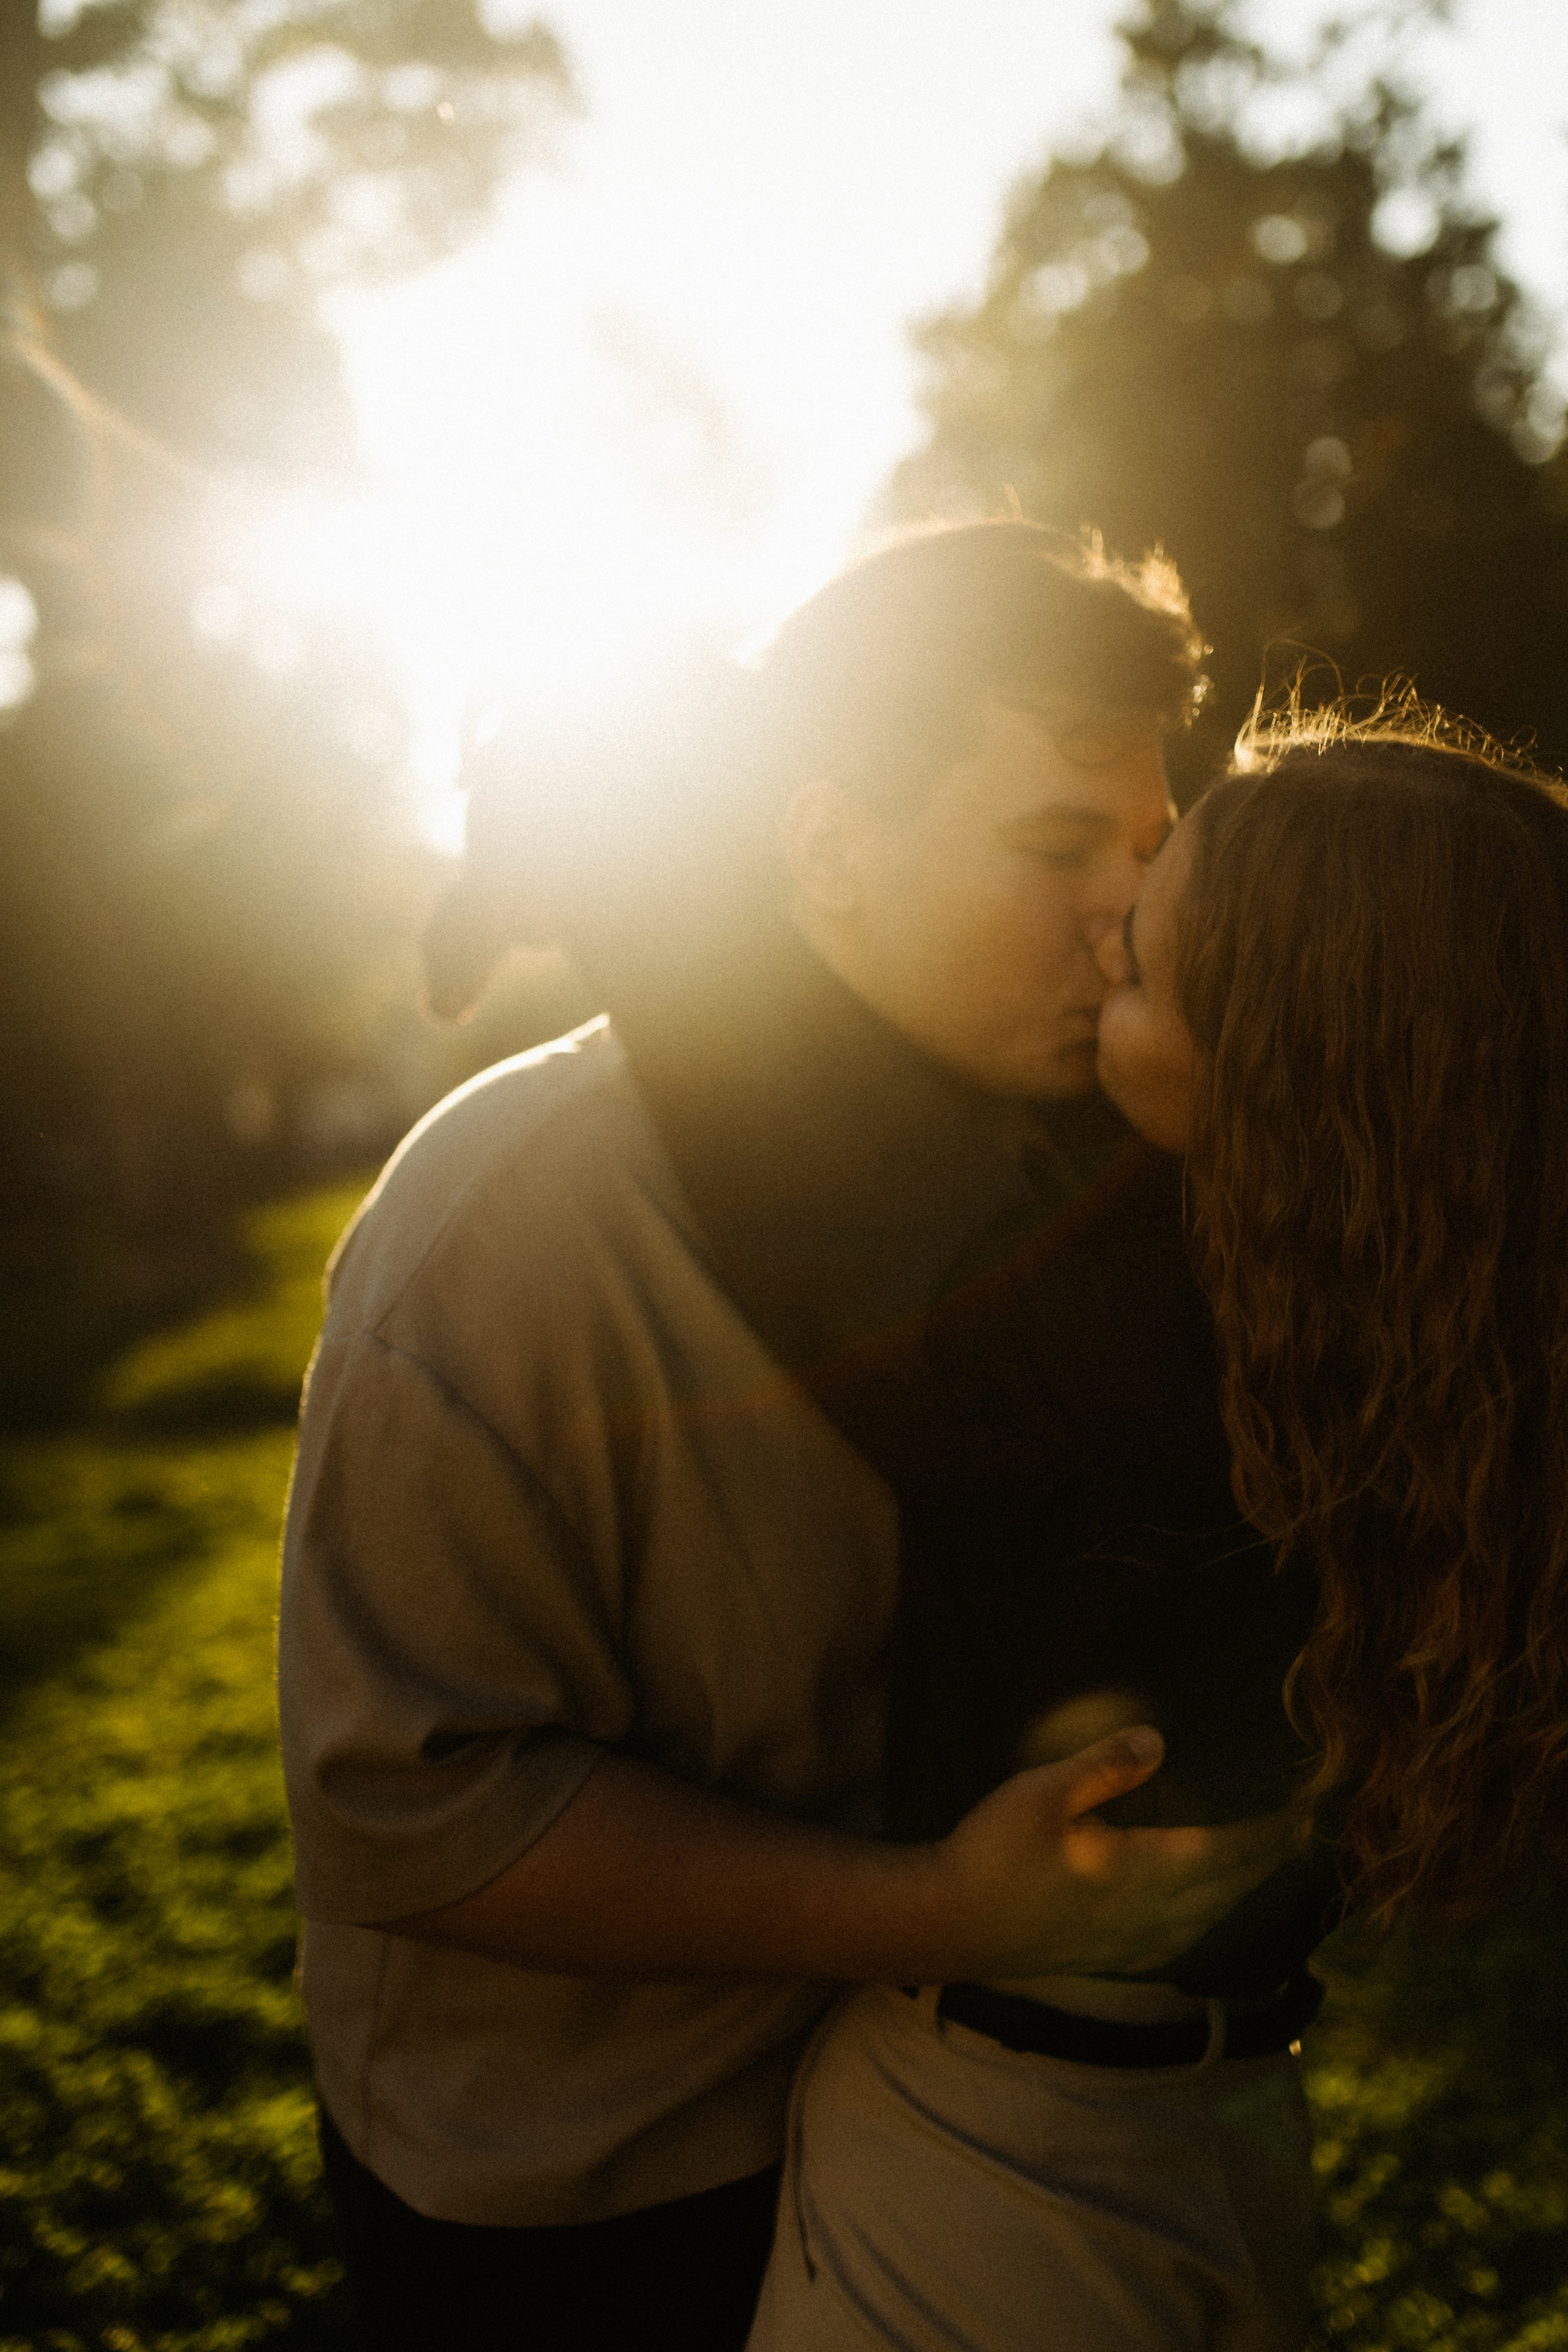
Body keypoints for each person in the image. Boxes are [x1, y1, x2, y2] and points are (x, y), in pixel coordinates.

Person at [275, 521, 1295, 2352]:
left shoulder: (1101, 1172)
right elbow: (407, 1813)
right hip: (592, 2185)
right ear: (824, 844)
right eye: (1052, 845)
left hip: (951, 2130)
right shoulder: (500, 1232)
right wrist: (927, 1916)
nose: (1122, 916)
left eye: (1143, 852)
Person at [744, 702, 1568, 2352]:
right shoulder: (1458, 1357)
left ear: (1278, 1086)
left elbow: (763, 1125)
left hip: (990, 2172)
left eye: (1136, 974)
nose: (1095, 936)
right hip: (1237, 2132)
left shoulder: (1126, 1370)